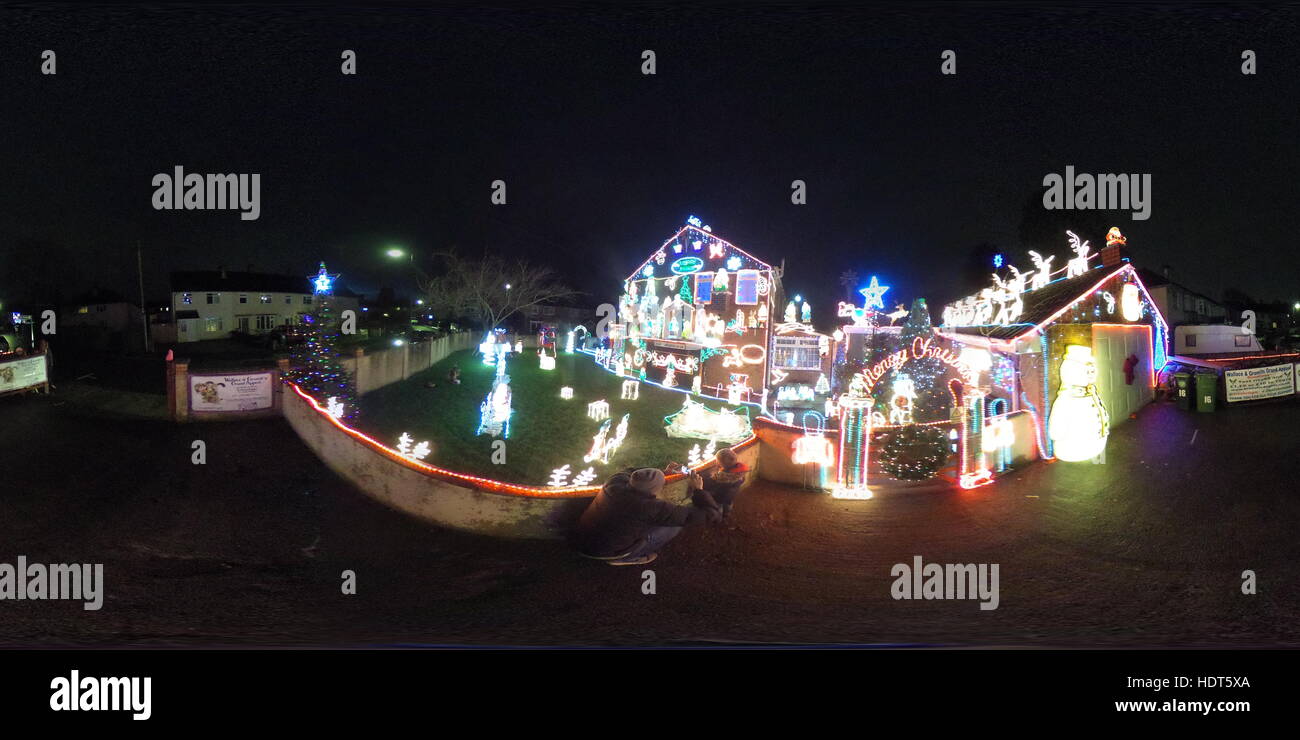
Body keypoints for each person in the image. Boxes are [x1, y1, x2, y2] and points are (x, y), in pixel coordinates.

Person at [569, 467, 720, 565]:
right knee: (674, 525)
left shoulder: (613, 484)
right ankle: (628, 557)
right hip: (607, 552)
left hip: (579, 541)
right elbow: (711, 515)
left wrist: (661, 472)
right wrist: (699, 491)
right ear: (656, 489)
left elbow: (627, 471)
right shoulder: (653, 508)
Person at [688, 448, 750, 519]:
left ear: (720, 464)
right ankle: (727, 514)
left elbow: (706, 484)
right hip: (730, 497)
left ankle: (718, 518)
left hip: (719, 498)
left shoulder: (719, 478)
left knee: (718, 507)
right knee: (728, 504)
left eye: (717, 460)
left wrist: (700, 474)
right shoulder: (740, 473)